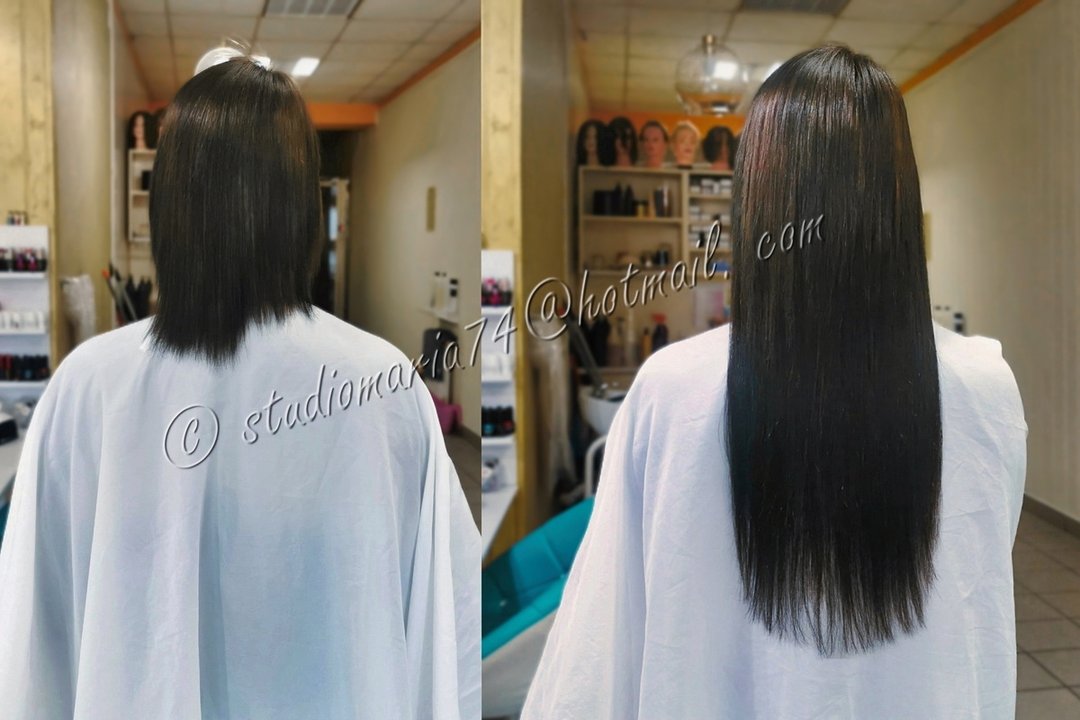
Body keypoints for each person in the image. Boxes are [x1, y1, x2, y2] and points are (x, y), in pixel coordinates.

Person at [522, 44, 1027, 719]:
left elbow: (601, 646)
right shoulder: (985, 389)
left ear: (756, 198)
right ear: (897, 196)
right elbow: (979, 595)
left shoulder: (673, 389)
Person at [0, 50, 480, 719]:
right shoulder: (383, 386)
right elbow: (444, 627)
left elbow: (32, 640)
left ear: (171, 203)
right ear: (299, 205)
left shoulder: (88, 387)